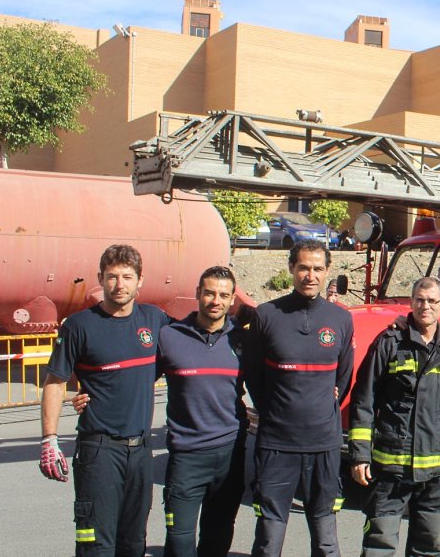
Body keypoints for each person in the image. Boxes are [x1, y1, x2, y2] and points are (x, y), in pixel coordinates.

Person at [72, 265, 250, 557]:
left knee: (218, 537)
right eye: (209, 293)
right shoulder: (170, 335)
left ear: (232, 299)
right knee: (179, 542)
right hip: (186, 456)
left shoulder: (243, 340)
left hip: (231, 453)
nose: (215, 301)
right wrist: (90, 392)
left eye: (223, 295)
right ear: (198, 293)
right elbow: (133, 373)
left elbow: (269, 383)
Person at [39, 244, 171, 556]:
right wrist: (49, 439)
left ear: (140, 280)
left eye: (127, 277)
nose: (119, 284)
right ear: (100, 279)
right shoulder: (79, 326)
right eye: (112, 277)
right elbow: (55, 382)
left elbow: (191, 349)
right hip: (99, 451)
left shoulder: (155, 320)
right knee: (95, 544)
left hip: (141, 450)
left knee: (133, 543)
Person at [348, 276, 440, 556]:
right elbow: (364, 400)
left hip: (437, 471)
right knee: (379, 544)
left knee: (430, 545)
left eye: (432, 301)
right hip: (391, 466)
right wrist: (360, 454)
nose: (425, 306)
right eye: (420, 300)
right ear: (412, 302)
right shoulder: (389, 344)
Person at [244, 239, 355, 557]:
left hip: (324, 445)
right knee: (268, 541)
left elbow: (343, 378)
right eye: (304, 267)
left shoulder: (341, 319)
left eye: (318, 268)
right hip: (276, 444)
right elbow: (253, 377)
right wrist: (276, 412)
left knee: (326, 541)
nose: (310, 275)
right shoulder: (266, 315)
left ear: (327, 271)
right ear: (292, 268)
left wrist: (321, 408)